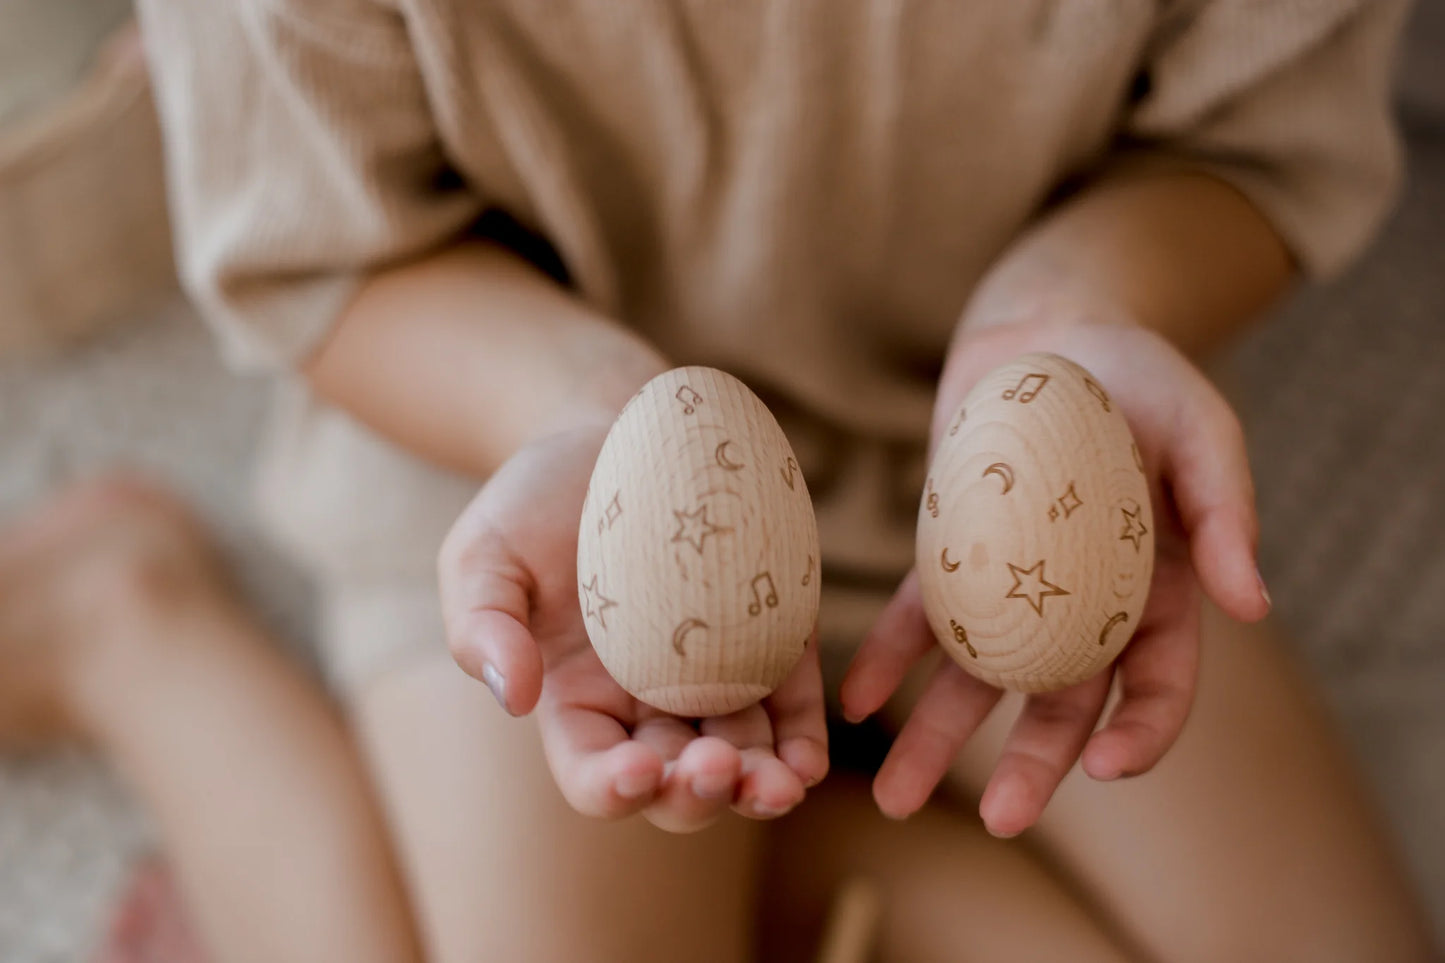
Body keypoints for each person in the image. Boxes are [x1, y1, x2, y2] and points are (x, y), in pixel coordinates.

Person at [37, 0, 1427, 959]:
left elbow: (1257, 148)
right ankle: (126, 625)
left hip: (1001, 461)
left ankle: (809, 859)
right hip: (540, 465)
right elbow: (318, 259)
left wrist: (1058, 316)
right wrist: (589, 415)